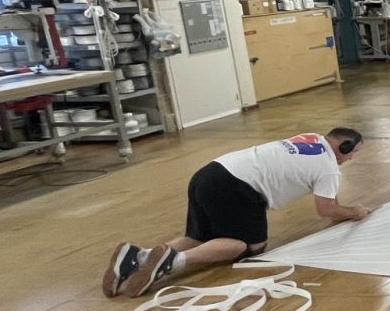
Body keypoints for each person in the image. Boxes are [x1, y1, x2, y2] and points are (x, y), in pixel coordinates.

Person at [102, 127, 370, 298]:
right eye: (352, 153)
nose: (350, 159)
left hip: (209, 173)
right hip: (237, 187)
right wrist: (354, 212)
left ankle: (138, 256)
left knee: (200, 236)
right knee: (249, 246)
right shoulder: (328, 168)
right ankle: (173, 261)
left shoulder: (310, 138)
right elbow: (326, 209)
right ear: (344, 147)